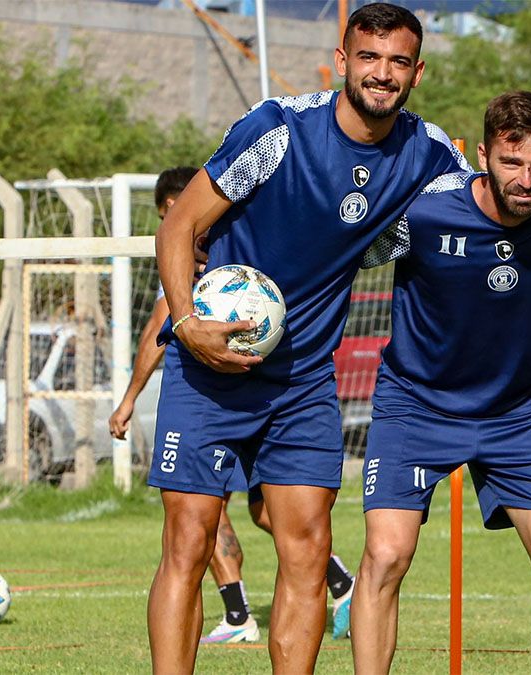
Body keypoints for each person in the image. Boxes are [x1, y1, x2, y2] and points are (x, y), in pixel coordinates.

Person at [148, 4, 531, 671]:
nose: (382, 74)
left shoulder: (427, 152)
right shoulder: (278, 130)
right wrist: (186, 322)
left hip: (302, 381)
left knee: (306, 548)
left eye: (398, 61)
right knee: (189, 536)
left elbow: (502, 174)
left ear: (417, 71)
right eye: (370, 57)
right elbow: (178, 225)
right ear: (344, 57)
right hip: (210, 364)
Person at [350, 90, 531, 675]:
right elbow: (344, 246)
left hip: (516, 413)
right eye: (512, 163)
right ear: (485, 155)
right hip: (415, 404)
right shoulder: (426, 210)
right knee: (386, 556)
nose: (526, 178)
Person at [108, 168, 358, 645]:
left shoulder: (228, 255)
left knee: (246, 520)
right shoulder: (191, 265)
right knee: (225, 521)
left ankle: (265, 606)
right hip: (218, 392)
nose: (178, 226)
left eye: (176, 213)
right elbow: (165, 324)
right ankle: (271, 603)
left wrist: (127, 400)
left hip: (277, 390)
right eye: (167, 218)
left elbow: (154, 334)